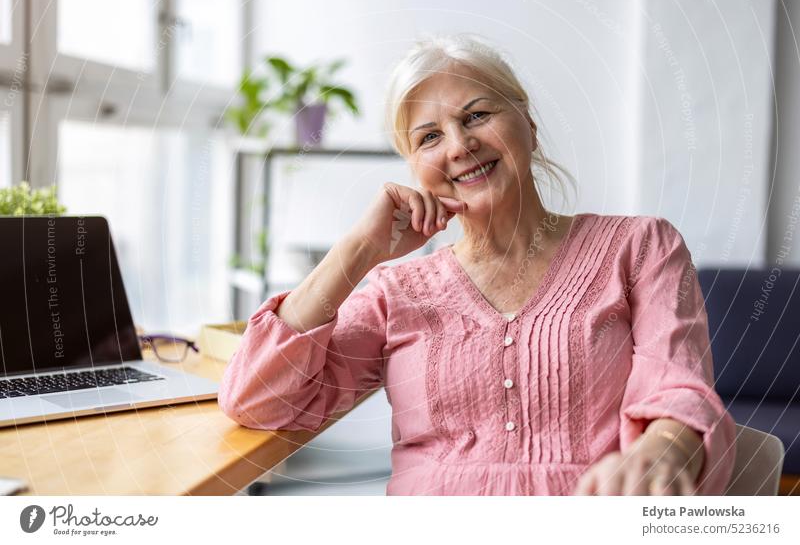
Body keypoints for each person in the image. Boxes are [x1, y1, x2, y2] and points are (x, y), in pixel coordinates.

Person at [217, 34, 736, 496]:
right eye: (429, 137)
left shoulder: (641, 246)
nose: (460, 146)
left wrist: (659, 452)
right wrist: (358, 250)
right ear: (417, 168)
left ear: (528, 127)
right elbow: (256, 400)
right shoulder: (396, 290)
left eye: (476, 116)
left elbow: (677, 390)